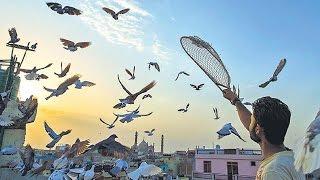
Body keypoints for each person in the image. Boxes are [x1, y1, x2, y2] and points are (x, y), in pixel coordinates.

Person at [223, 89, 305, 180]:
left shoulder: (273, 171)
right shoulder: (290, 158)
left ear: (257, 128)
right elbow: (254, 126)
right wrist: (235, 101)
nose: (250, 123)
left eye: (252, 120)